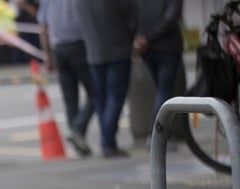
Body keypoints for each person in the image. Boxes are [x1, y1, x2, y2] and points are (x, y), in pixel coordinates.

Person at [77, 0, 137, 159]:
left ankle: (107, 141)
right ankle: (107, 142)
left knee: (102, 100)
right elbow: (131, 17)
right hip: (117, 50)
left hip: (94, 53)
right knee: (115, 98)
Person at [39, 0, 95, 157]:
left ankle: (77, 138)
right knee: (96, 93)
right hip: (79, 45)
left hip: (58, 49)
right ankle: (78, 130)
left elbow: (43, 29)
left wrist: (48, 58)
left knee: (70, 99)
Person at [134, 0, 184, 135]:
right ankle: (157, 134)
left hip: (146, 48)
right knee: (164, 92)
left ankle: (158, 134)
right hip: (166, 46)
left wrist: (140, 39)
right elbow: (171, 16)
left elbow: (130, 14)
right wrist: (149, 38)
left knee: (161, 91)